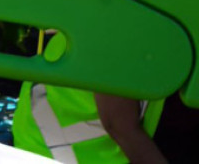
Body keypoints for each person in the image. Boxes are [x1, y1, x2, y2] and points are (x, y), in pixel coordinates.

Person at [12, 32, 168, 163]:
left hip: (43, 150)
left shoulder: (100, 15)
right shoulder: (115, 34)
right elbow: (120, 127)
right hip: (63, 157)